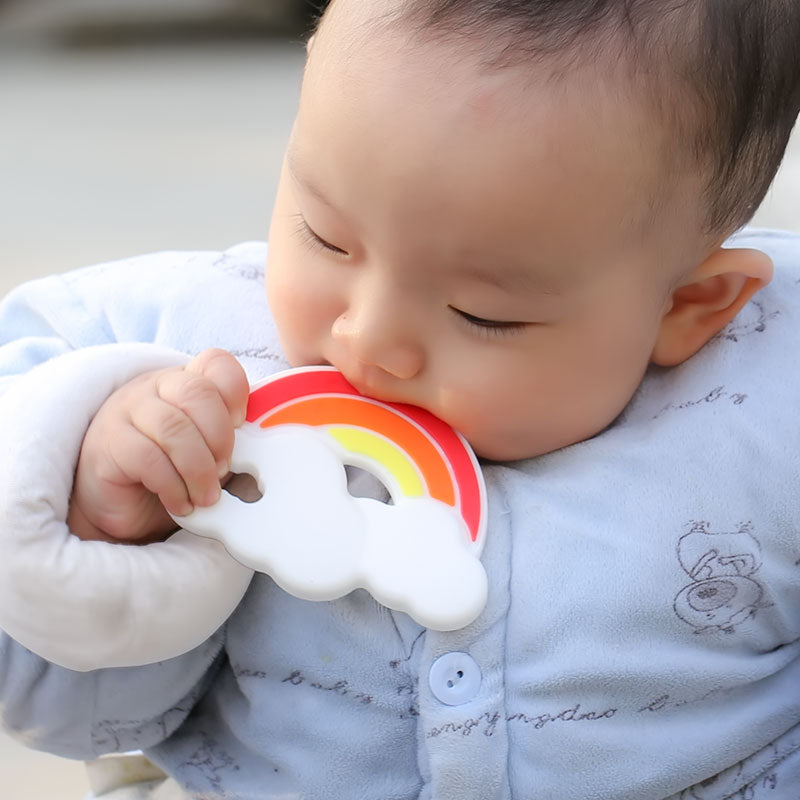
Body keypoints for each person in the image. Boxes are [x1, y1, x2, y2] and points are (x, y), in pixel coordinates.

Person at [1, 0, 799, 797]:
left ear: (688, 307)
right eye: (324, 234)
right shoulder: (180, 360)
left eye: (484, 313)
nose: (368, 338)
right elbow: (65, 712)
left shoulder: (769, 415)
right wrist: (100, 521)